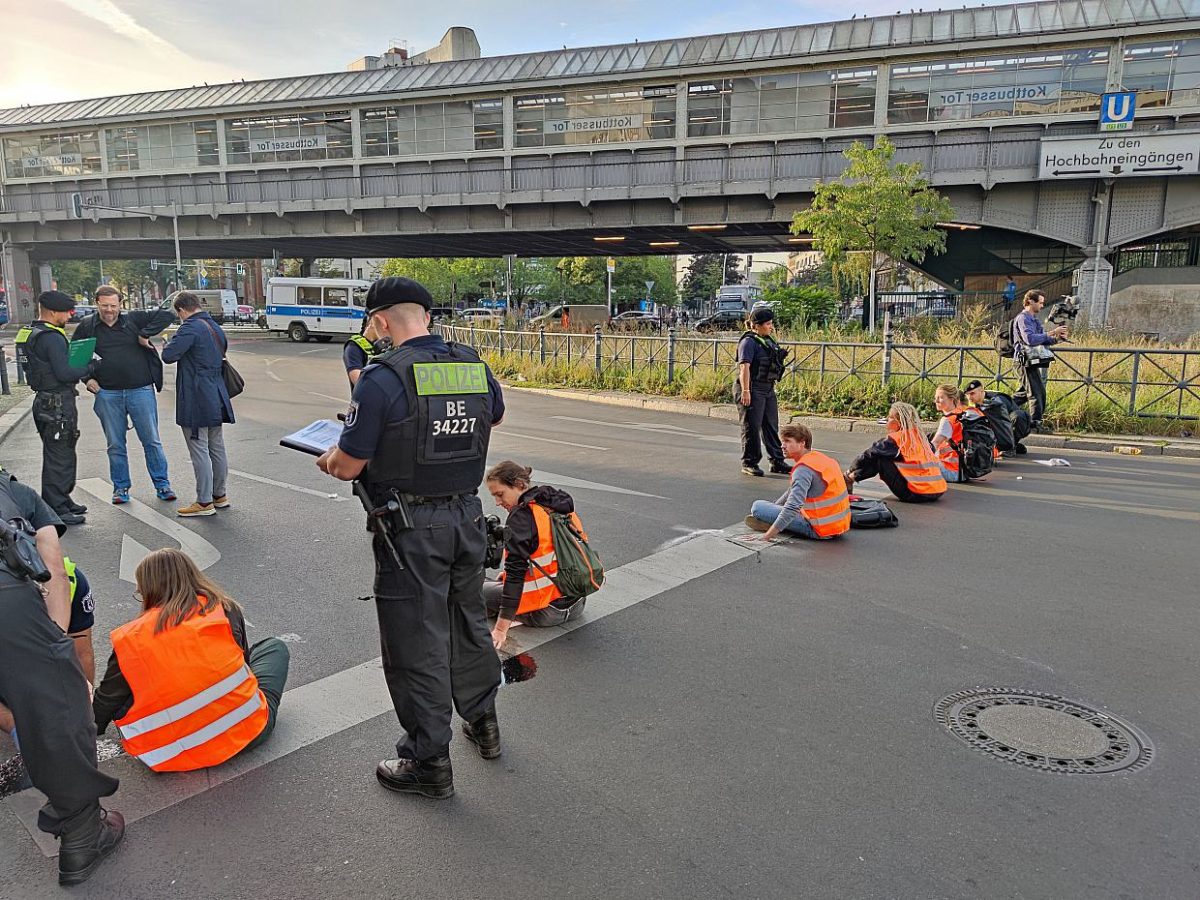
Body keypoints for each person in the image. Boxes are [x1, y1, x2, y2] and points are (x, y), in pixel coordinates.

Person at [316, 276, 504, 800]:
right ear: (425, 313)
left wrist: (332, 457)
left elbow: (350, 464)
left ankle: (428, 763)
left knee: (415, 642)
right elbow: (493, 415)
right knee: (466, 621)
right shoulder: (472, 363)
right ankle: (483, 724)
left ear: (379, 321)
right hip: (467, 517)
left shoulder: (380, 377)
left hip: (410, 529)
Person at [0, 465, 123, 885]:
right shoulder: (11, 490)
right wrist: (55, 637)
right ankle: (84, 837)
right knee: (60, 713)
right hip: (8, 602)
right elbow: (47, 547)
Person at [92, 548, 289, 771]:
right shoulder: (223, 609)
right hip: (249, 733)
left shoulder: (131, 640)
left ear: (149, 591)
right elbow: (242, 664)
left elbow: (106, 704)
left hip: (170, 755)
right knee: (273, 647)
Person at [74, 285, 177, 505]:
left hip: (140, 390)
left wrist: (144, 334)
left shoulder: (134, 319)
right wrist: (87, 379)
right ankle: (121, 488)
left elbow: (168, 314)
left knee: (151, 441)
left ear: (120, 304)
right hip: (107, 393)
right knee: (115, 444)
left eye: (113, 305)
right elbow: (76, 358)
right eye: (104, 306)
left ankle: (162, 484)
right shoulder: (87, 326)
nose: (109, 310)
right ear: (97, 303)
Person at [482, 461, 587, 650]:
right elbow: (552, 555)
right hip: (577, 603)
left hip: (545, 612)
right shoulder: (556, 503)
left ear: (520, 485)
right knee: (498, 584)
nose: (498, 502)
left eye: (500, 494)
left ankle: (512, 614)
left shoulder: (522, 517)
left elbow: (515, 577)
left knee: (474, 587)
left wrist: (500, 630)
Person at [13, 291, 97, 525]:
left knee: (62, 451)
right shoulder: (51, 337)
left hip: (45, 401)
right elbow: (65, 372)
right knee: (59, 456)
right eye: (66, 312)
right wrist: (89, 365)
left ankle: (63, 498)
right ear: (52, 311)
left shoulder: (31, 331)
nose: (69, 315)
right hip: (57, 404)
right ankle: (56, 507)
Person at [161, 291, 235, 517]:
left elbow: (169, 356)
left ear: (181, 310)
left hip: (196, 396)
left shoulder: (190, 328)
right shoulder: (215, 327)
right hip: (216, 393)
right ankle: (219, 495)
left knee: (199, 448)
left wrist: (168, 343)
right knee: (217, 446)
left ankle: (204, 502)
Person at [743, 423, 851, 541]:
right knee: (776, 507)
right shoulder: (822, 460)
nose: (782, 446)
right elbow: (792, 491)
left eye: (788, 441)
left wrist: (766, 537)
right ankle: (775, 520)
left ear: (802, 443)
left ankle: (774, 525)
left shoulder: (803, 470)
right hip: (838, 527)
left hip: (818, 529)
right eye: (783, 441)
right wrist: (775, 507)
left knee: (758, 507)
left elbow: (792, 507)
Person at [844, 402, 947, 503]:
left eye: (889, 417)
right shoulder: (921, 438)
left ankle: (849, 479)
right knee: (885, 454)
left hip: (915, 494)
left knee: (880, 458)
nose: (887, 420)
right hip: (937, 491)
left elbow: (866, 456)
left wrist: (850, 471)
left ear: (898, 422)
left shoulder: (895, 440)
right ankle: (851, 478)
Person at [736, 307, 790, 477]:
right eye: (767, 324)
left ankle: (777, 461)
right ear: (756, 325)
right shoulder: (748, 342)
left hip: (767, 388)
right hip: (752, 387)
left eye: (771, 323)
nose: (771, 327)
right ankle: (749, 462)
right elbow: (744, 367)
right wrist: (746, 391)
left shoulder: (767, 340)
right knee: (752, 427)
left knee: (771, 425)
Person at [1013, 290, 1067, 432]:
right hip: (1023, 360)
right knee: (1036, 393)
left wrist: (1058, 338)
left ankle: (1001, 408)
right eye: (1040, 302)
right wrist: (1051, 333)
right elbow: (1029, 339)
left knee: (1026, 393)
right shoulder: (1023, 318)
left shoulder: (1034, 319)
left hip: (1031, 359)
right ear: (1030, 301)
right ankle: (1034, 425)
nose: (1042, 305)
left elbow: (1043, 339)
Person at [930, 384, 972, 483]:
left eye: (940, 398)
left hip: (951, 471)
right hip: (964, 472)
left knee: (911, 467)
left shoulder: (948, 420)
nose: (936, 401)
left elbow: (933, 446)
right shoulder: (962, 414)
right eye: (935, 397)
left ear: (952, 399)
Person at [343, 316, 387, 388]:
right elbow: (357, 380)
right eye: (383, 325)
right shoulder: (354, 347)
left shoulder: (386, 345)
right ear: (372, 323)